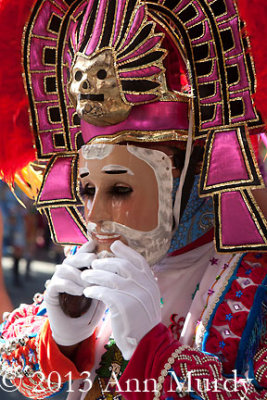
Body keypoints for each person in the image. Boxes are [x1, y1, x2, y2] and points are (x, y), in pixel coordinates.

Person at [0, 0, 266, 400]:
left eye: (120, 190)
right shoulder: (97, 265)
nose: (94, 217)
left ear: (182, 178)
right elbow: (20, 372)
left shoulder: (253, 284)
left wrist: (153, 350)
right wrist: (58, 338)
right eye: (87, 190)